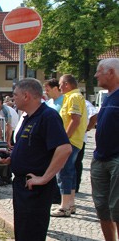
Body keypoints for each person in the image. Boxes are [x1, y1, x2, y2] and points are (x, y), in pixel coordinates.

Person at [0, 78, 71, 241]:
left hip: (35, 189)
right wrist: (13, 158)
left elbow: (64, 148)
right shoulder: (30, 117)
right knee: (23, 236)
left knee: (32, 239)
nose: (14, 98)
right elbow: (33, 148)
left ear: (27, 96)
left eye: (16, 95)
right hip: (22, 185)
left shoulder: (48, 117)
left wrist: (44, 177)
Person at [83, 58, 119, 241]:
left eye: (99, 72)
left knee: (118, 207)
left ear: (112, 73)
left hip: (116, 159)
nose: (96, 75)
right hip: (101, 158)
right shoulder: (108, 98)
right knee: (102, 206)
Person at [51, 74, 87, 217]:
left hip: (70, 141)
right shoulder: (75, 97)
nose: (59, 87)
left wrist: (64, 139)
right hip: (74, 140)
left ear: (66, 84)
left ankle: (64, 206)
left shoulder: (73, 97)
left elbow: (75, 120)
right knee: (70, 172)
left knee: (64, 172)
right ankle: (70, 203)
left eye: (60, 84)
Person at [0, 93, 19, 186]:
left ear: (0, 101)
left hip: (13, 132)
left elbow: (9, 126)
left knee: (6, 156)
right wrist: (1, 139)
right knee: (3, 154)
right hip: (6, 133)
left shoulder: (5, 110)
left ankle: (6, 178)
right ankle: (6, 177)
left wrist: (7, 141)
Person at [75, 99, 98, 193]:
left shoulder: (84, 102)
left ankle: (75, 186)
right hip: (66, 138)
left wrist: (87, 128)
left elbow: (94, 116)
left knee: (76, 162)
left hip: (79, 138)